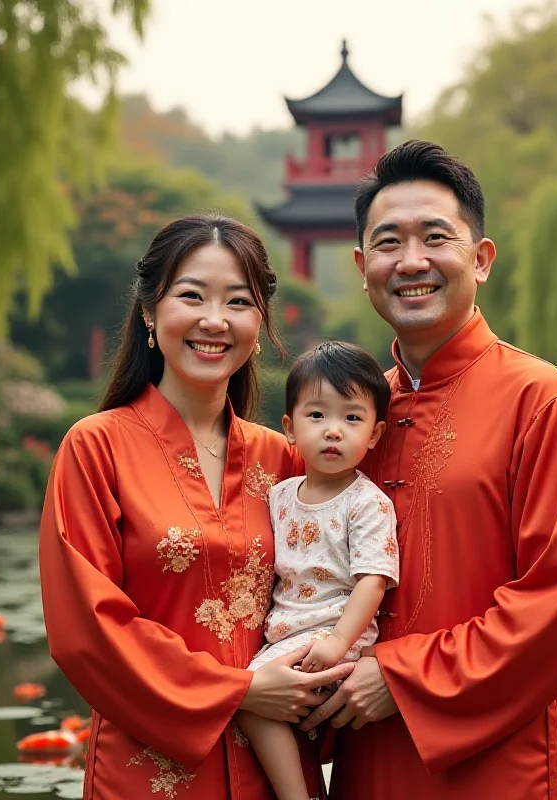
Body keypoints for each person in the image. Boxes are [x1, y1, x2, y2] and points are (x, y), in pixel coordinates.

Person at [300, 141, 557, 800]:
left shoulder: (543, 401)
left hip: (509, 766)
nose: (412, 261)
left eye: (435, 237)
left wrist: (404, 678)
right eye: (389, 243)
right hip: (371, 758)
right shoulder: (356, 424)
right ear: (363, 267)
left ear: (481, 259)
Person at [39, 215, 353, 800]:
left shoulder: (284, 459)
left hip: (276, 768)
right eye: (191, 296)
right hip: (149, 771)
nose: (215, 320)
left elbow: (335, 584)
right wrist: (239, 691)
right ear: (150, 313)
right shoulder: (97, 448)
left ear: (258, 325)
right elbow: (87, 629)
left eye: (238, 301)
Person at [236, 342, 399, 800]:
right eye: (316, 416)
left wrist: (338, 643)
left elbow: (373, 580)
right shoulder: (280, 495)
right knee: (257, 699)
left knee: (249, 700)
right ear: (289, 428)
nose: (333, 432)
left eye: (351, 418)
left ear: (374, 433)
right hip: (287, 635)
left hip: (333, 638)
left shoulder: (367, 504)